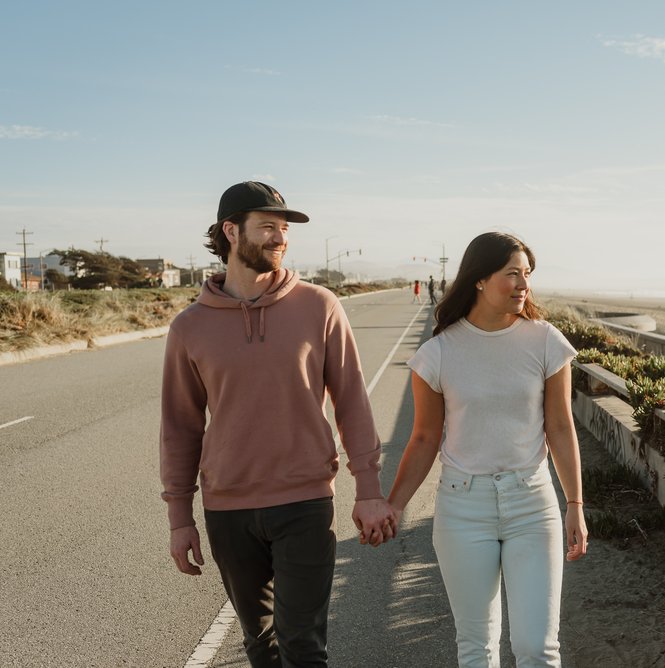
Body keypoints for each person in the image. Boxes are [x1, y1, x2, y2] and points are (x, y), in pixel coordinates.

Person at [160, 181, 396, 668]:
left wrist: (369, 489)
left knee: (303, 645)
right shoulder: (189, 327)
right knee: (259, 643)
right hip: (228, 508)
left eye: (284, 229)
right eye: (267, 227)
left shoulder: (319, 306)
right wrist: (179, 518)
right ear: (231, 231)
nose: (279, 238)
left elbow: (352, 400)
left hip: (304, 500)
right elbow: (181, 427)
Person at [388, 231, 588, 667]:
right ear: (479, 279)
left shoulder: (546, 341)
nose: (523, 284)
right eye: (512, 273)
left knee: (537, 648)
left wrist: (574, 503)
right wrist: (394, 506)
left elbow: (559, 426)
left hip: (532, 503)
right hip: (463, 509)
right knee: (477, 649)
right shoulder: (438, 353)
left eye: (528, 275)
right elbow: (423, 438)